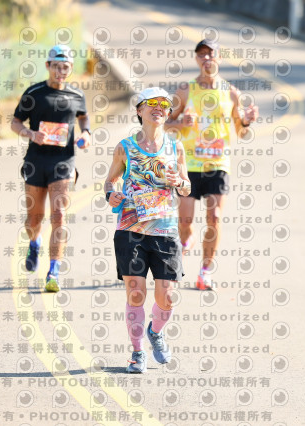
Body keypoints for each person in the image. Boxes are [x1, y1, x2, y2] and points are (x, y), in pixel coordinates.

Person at [104, 87, 191, 373]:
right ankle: (137, 352)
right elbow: (110, 181)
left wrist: (179, 182)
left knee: (167, 296)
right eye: (152, 103)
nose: (159, 108)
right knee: (136, 293)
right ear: (139, 110)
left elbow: (187, 187)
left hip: (165, 231)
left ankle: (155, 331)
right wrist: (111, 194)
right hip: (131, 229)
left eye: (164, 105)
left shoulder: (175, 147)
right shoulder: (125, 147)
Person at [166, 39, 259, 290]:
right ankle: (187, 238)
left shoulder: (231, 93)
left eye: (211, 54)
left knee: (214, 217)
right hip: (189, 164)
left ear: (219, 57)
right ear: (196, 59)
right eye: (201, 54)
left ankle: (205, 272)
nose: (206, 58)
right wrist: (181, 124)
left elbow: (241, 132)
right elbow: (165, 124)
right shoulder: (185, 90)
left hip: (218, 163)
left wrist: (247, 121)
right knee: (184, 222)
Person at [11, 44, 91, 292]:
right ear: (48, 66)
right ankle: (34, 243)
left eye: (65, 67)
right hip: (36, 161)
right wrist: (30, 134)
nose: (61, 71)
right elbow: (15, 122)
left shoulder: (76, 95)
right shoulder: (34, 93)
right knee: (34, 219)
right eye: (56, 66)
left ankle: (53, 271)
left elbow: (83, 117)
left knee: (59, 215)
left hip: (63, 163)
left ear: (71, 68)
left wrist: (86, 133)